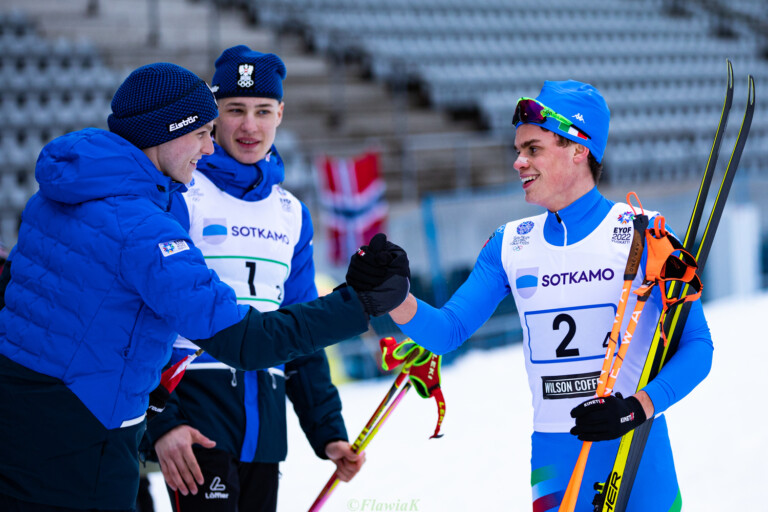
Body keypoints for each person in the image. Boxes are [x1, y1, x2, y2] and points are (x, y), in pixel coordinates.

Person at [0, 62, 409, 512]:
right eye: (202, 132)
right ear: (166, 132)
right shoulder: (147, 228)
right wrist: (360, 303)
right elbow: (245, 341)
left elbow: (54, 311)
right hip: (86, 441)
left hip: (24, 419)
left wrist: (325, 428)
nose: (210, 146)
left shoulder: (61, 193)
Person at [381, 80, 713, 511]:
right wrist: (393, 296)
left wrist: (636, 408)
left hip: (635, 449)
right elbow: (449, 331)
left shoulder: (643, 233)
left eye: (533, 149)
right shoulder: (510, 243)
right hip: (555, 457)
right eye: (518, 150)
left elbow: (698, 347)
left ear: (578, 149)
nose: (518, 162)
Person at [144, 46, 363, 512]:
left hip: (265, 424)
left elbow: (303, 330)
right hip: (195, 416)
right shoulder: (182, 192)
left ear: (280, 113)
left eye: (263, 111)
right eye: (235, 110)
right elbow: (144, 314)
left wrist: (328, 433)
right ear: (213, 114)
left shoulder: (291, 214)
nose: (249, 126)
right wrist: (163, 421)